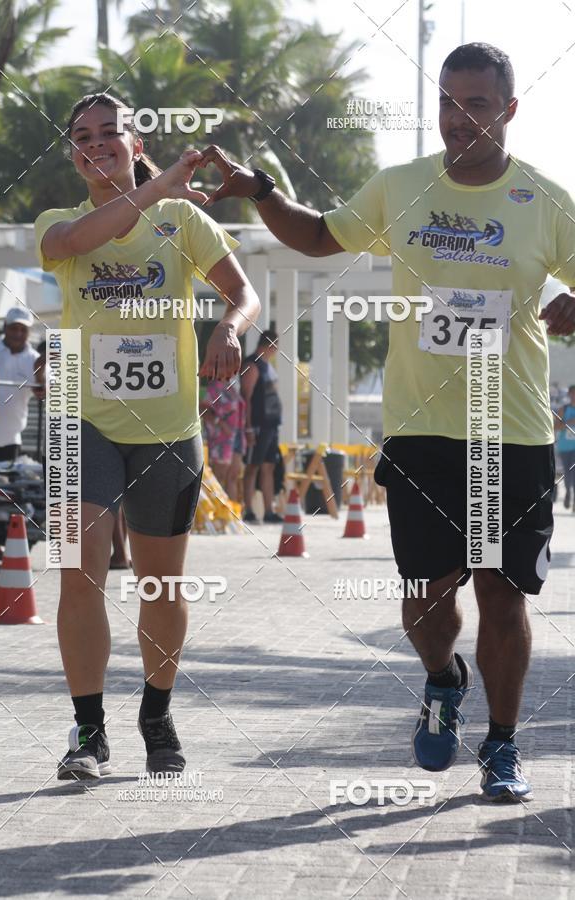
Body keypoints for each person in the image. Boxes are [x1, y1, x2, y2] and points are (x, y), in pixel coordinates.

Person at [199, 43, 575, 801]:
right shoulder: (401, 186)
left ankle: (502, 747)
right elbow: (314, 235)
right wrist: (260, 190)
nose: (458, 119)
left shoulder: (546, 201)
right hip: (422, 431)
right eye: (447, 102)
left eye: (476, 104)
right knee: (430, 596)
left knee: (502, 596)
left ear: (509, 109)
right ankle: (442, 678)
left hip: (514, 430)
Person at [34, 92, 259, 780]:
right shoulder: (59, 223)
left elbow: (243, 294)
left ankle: (156, 713)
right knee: (79, 573)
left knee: (162, 588)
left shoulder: (182, 220)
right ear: (74, 154)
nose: (95, 143)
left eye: (109, 132)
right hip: (80, 417)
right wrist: (157, 185)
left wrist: (228, 327)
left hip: (166, 425)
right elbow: (73, 245)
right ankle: (88, 729)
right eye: (82, 136)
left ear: (134, 142)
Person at [0, 307, 40, 560]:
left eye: (23, 329)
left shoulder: (33, 359)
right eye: (13, 328)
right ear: (6, 328)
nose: (18, 333)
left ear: (28, 332)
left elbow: (45, 388)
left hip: (11, 440)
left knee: (6, 494)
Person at [240, 329, 283, 523]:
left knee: (269, 466)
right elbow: (246, 399)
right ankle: (248, 509)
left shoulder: (267, 366)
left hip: (271, 425)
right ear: (270, 345)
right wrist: (248, 428)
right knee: (252, 466)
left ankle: (269, 511)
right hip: (257, 425)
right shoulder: (252, 365)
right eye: (275, 346)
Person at [200, 375, 246, 500]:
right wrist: (219, 422)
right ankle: (218, 514)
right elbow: (202, 408)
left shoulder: (233, 383)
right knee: (219, 476)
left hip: (236, 435)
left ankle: (231, 515)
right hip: (221, 438)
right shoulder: (215, 385)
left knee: (233, 476)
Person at [554, 384, 575, 511]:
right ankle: (568, 491)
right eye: (572, 393)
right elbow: (556, 427)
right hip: (565, 447)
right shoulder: (564, 409)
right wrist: (569, 423)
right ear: (569, 394)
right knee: (568, 472)